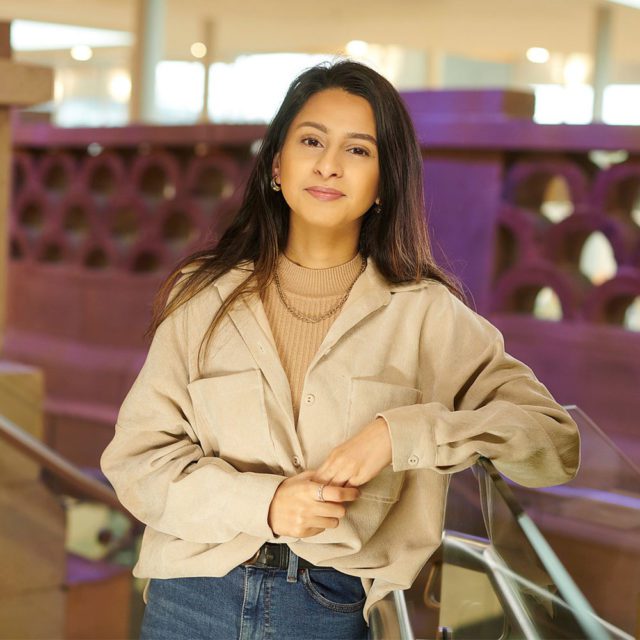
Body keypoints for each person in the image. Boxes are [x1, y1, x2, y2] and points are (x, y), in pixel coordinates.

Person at [100, 59, 580, 640]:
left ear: (385, 181)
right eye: (311, 140)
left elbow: (552, 444)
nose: (329, 164)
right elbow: (137, 462)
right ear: (277, 163)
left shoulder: (425, 316)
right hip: (190, 599)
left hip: (330, 610)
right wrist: (268, 503)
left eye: (358, 150)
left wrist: (399, 435)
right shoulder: (202, 296)